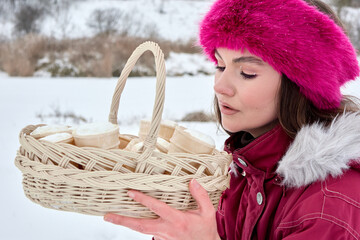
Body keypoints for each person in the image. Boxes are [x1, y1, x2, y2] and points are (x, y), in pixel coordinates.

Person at [103, 0, 360, 239]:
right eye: (220, 65)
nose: (220, 86)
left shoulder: (330, 206)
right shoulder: (242, 174)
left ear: (303, 86)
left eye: (247, 73)